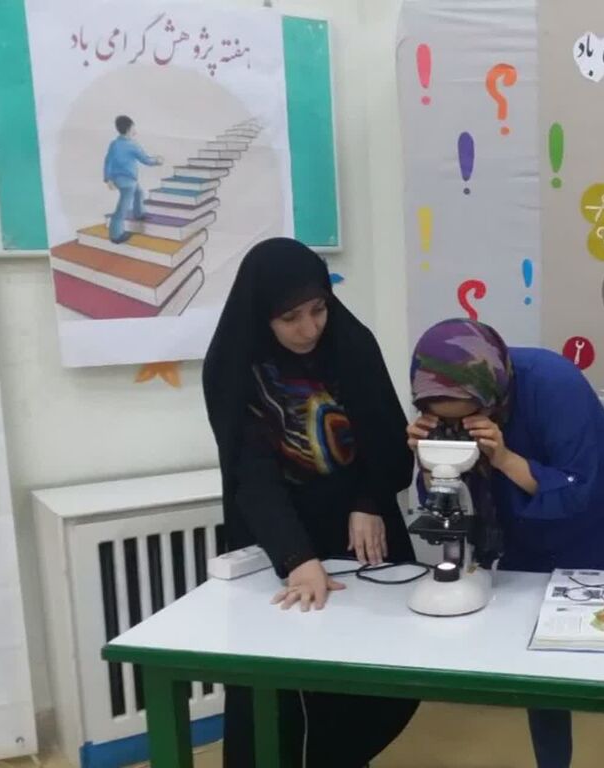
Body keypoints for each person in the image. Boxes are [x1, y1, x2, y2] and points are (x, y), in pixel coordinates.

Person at [407, 318, 604, 768]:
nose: (460, 427)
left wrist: (503, 457)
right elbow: (443, 498)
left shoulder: (553, 383)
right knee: (539, 674)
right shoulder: (445, 391)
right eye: (447, 422)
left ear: (491, 395)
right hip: (528, 532)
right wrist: (433, 462)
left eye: (469, 418)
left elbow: (576, 488)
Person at [203, 237, 418, 768]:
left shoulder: (351, 343)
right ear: (263, 317)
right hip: (283, 534)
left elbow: (389, 438)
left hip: (364, 531)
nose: (309, 328)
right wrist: (297, 558)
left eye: (318, 309)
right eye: (290, 318)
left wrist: (370, 499)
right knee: (284, 687)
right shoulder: (233, 366)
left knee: (381, 674)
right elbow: (251, 476)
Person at [103, 115, 162, 243]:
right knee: (122, 208)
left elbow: (108, 161)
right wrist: (157, 161)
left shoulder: (114, 144)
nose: (135, 131)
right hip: (128, 181)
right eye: (134, 128)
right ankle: (116, 235)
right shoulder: (132, 145)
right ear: (129, 129)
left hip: (118, 179)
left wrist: (108, 179)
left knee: (139, 192)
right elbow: (146, 160)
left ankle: (139, 213)